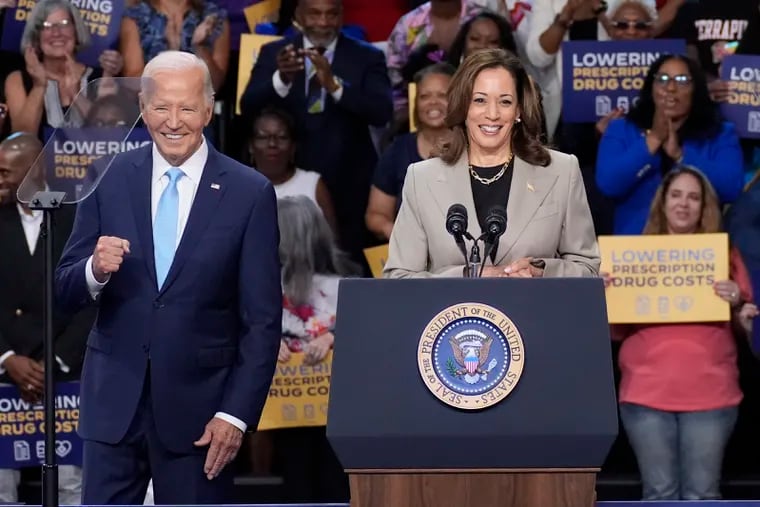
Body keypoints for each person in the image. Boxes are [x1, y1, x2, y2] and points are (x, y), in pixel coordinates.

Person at [54, 51, 282, 504]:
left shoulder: (249, 192)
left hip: (201, 419)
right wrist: (93, 271)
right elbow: (63, 288)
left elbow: (261, 322)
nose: (173, 121)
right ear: (142, 107)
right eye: (161, 107)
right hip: (113, 410)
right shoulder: (107, 176)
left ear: (208, 109)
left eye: (186, 108)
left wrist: (235, 416)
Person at [383, 48, 599, 279]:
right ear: (463, 106)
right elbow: (399, 277)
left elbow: (586, 268)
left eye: (505, 102)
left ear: (518, 110)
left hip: (534, 311)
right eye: (479, 100)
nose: (492, 114)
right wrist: (467, 276)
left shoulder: (561, 171)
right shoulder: (422, 178)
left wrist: (542, 272)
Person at [603, 166, 752, 500]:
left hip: (711, 396)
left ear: (704, 207)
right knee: (659, 494)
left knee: (702, 495)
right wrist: (610, 297)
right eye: (676, 195)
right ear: (663, 202)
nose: (684, 204)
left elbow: (748, 331)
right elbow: (616, 333)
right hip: (645, 396)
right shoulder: (633, 258)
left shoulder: (725, 258)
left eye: (694, 197)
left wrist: (739, 302)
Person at [240, 0, 392, 268]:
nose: (323, 22)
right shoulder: (274, 53)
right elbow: (247, 107)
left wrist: (334, 87)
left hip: (351, 181)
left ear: (342, 15)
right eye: (315, 13)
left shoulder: (367, 56)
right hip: (290, 179)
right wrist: (281, 80)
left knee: (348, 267)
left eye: (331, 14)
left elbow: (382, 112)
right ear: (299, 15)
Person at [0, 132, 93, 504]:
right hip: (6, 375)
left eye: (5, 172)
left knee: (71, 487)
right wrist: (8, 359)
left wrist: (52, 363)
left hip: (63, 375)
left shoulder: (77, 218)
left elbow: (92, 298)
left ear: (36, 170)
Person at [596, 54, 744, 235]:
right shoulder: (621, 130)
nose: (671, 88)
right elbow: (609, 184)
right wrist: (653, 141)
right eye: (662, 79)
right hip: (635, 251)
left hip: (701, 253)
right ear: (651, 87)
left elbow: (731, 189)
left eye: (682, 80)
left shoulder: (720, 133)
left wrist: (680, 156)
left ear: (695, 89)